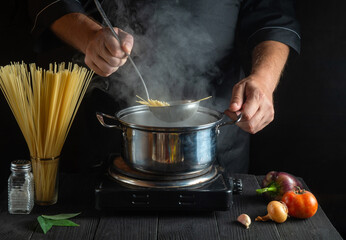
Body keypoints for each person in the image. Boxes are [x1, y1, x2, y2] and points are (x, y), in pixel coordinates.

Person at [1, 0, 300, 177]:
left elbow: (273, 13)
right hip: (112, 134)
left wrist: (262, 79)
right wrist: (90, 36)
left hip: (220, 134)